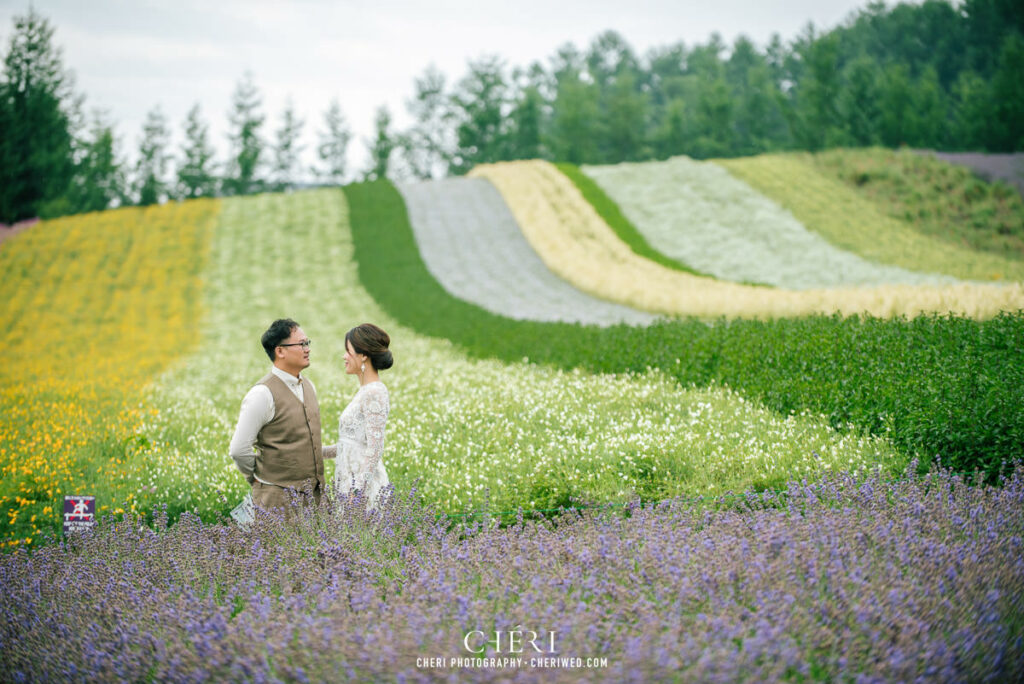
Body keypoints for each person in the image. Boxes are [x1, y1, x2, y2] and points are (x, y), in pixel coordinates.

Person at [229, 318, 335, 516]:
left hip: (317, 500)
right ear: (280, 351)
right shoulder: (262, 394)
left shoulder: (309, 386)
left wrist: (340, 450)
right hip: (277, 503)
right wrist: (259, 480)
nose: (307, 349)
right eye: (301, 344)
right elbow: (238, 450)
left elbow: (301, 446)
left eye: (307, 343)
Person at [331, 323, 393, 509]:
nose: (344, 357)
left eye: (348, 351)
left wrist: (356, 492)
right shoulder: (365, 391)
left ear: (363, 355)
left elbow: (375, 447)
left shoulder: (375, 392)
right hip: (348, 485)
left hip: (362, 492)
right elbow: (351, 444)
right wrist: (317, 452)